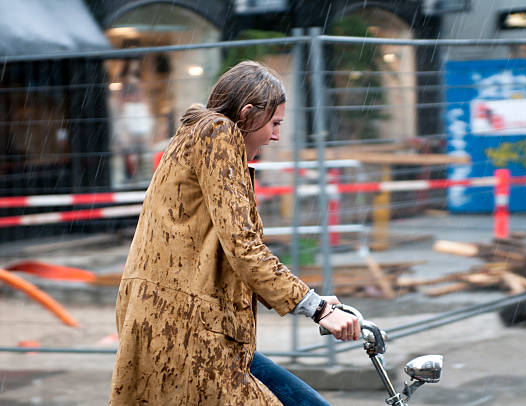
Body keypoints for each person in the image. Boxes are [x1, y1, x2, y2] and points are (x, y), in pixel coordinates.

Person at [109, 60, 360, 405]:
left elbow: (225, 250)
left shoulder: (197, 138)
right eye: (274, 123)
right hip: (188, 332)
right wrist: (317, 309)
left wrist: (313, 302)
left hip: (187, 326)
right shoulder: (218, 134)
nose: (276, 135)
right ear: (245, 115)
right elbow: (244, 246)